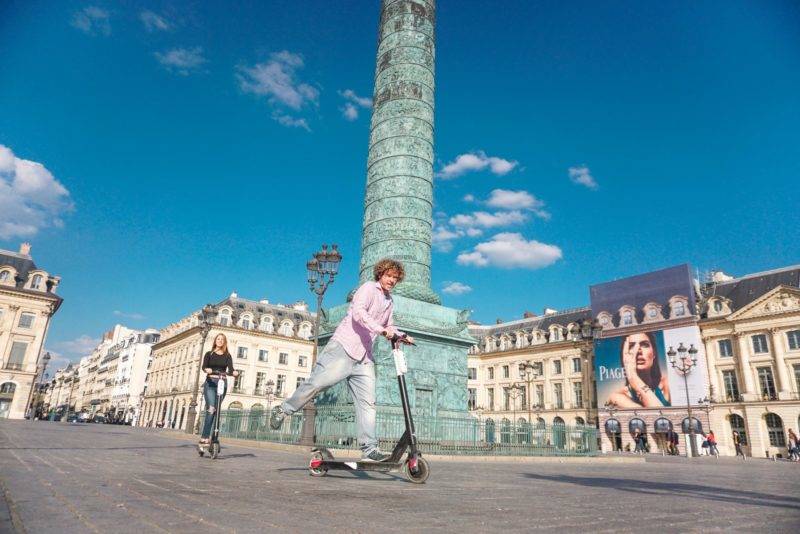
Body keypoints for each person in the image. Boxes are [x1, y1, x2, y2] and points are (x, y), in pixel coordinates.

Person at [270, 258, 414, 462]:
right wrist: (382, 330)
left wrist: (402, 335)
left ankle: (369, 448)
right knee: (318, 383)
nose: (392, 280)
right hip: (344, 348)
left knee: (368, 403)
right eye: (389, 276)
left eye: (395, 278)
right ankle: (284, 409)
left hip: (364, 357)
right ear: (380, 274)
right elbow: (358, 313)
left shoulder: (389, 302)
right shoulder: (367, 289)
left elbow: (389, 326)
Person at [607, 332, 671, 408]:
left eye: (644, 345)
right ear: (624, 356)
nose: (638, 351)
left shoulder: (666, 384)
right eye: (631, 346)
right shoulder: (616, 397)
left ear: (654, 354)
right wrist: (632, 376)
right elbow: (654, 416)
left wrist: (633, 378)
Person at [199, 333, 239, 446]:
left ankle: (214, 436)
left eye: (222, 339)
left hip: (222, 383)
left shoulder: (227, 355)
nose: (220, 341)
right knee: (211, 409)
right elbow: (204, 366)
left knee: (217, 410)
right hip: (211, 383)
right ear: (215, 341)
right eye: (218, 339)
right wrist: (207, 370)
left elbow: (231, 370)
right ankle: (204, 437)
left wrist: (235, 373)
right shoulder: (209, 354)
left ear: (224, 342)